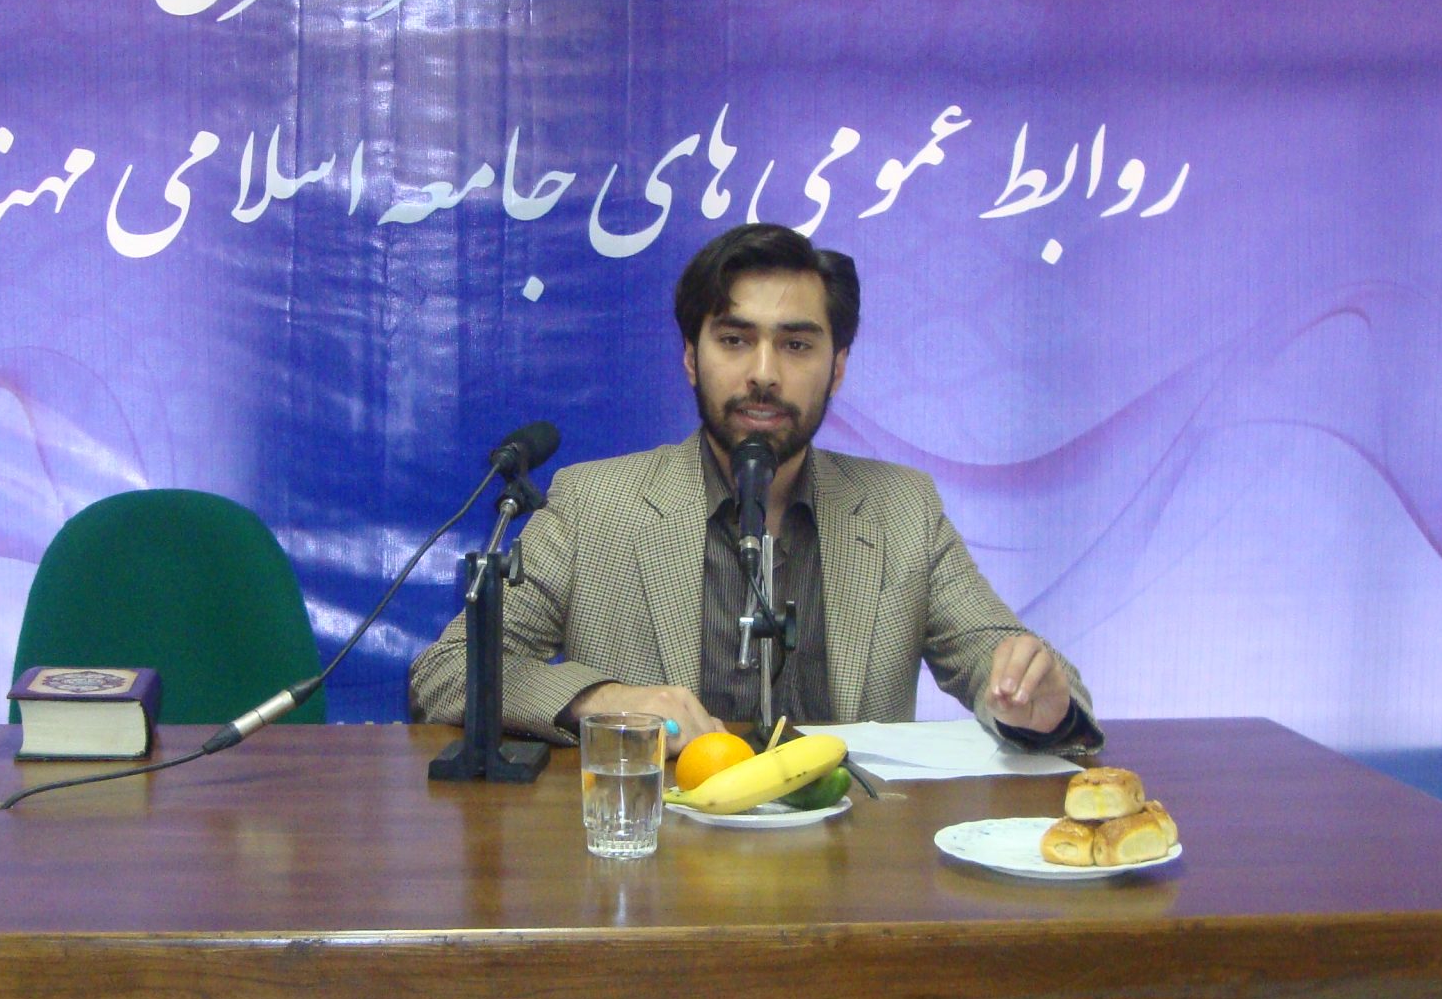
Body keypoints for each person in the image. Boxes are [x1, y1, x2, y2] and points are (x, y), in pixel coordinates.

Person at [408, 224, 1100, 752]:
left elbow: (1009, 667)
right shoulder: (595, 505)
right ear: (691, 357)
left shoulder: (902, 511)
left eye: (796, 345)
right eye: (735, 340)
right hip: (658, 862)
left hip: (851, 866)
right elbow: (447, 671)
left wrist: (1037, 701)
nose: (764, 373)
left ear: (838, 368)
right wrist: (606, 701)